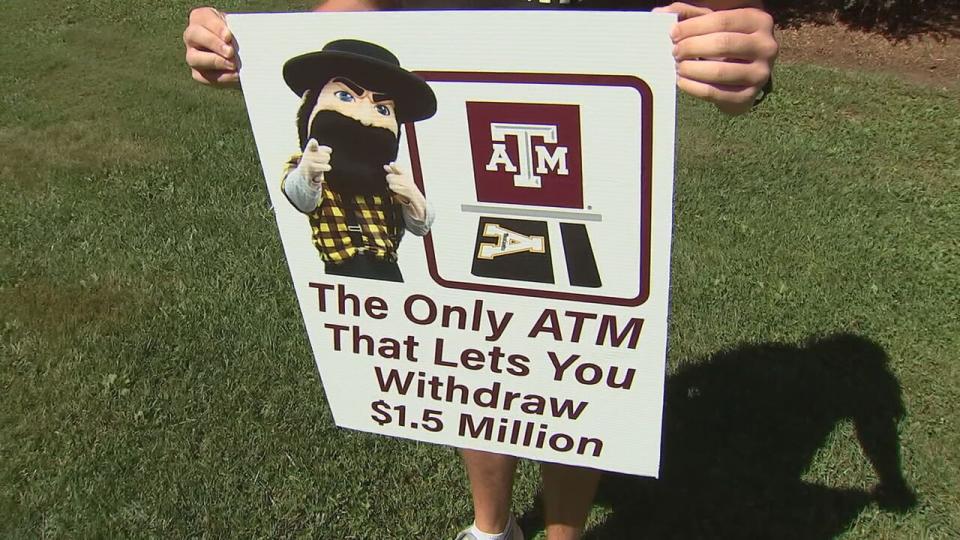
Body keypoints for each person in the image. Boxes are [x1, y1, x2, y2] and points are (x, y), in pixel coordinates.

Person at [184, 2, 778, 539]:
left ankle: (562, 537)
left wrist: (733, 45)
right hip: (437, 182)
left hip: (586, 126)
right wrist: (246, 52)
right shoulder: (320, 162)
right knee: (474, 342)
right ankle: (492, 529)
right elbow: (347, 13)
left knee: (577, 346)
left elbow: (721, 23)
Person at [280, 40, 437, 282]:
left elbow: (421, 227)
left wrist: (412, 197)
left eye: (382, 109)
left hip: (388, 268)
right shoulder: (309, 166)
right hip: (344, 270)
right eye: (345, 96)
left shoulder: (388, 179)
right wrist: (308, 174)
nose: (364, 119)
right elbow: (302, 199)